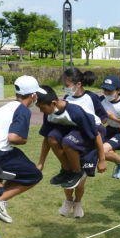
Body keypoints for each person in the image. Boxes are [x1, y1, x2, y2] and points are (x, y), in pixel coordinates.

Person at [0, 75, 43, 223]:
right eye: (36, 95)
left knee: (21, 161)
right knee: (34, 175)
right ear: (33, 95)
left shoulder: (6, 107)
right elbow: (14, 138)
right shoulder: (23, 110)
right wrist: (24, 139)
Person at [36, 86, 107, 218]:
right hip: (70, 130)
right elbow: (47, 138)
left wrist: (102, 160)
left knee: (68, 143)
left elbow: (96, 134)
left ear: (53, 103)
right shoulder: (49, 113)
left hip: (94, 130)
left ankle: (76, 175)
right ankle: (67, 170)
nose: (41, 111)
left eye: (42, 108)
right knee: (53, 138)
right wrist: (41, 163)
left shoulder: (75, 112)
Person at [99, 75, 120, 179]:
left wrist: (113, 118)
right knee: (94, 147)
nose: (106, 93)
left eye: (109, 91)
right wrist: (103, 119)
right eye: (104, 90)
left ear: (118, 90)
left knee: (103, 150)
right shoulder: (101, 100)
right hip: (109, 129)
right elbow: (100, 118)